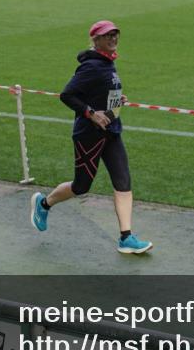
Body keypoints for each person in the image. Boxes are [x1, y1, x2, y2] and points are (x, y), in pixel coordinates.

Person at [30, 20, 153, 254]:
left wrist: (116, 99)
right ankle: (44, 204)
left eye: (115, 34)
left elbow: (99, 92)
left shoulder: (108, 63)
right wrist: (91, 114)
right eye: (108, 35)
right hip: (89, 136)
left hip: (112, 132)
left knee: (123, 182)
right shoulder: (92, 67)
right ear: (96, 40)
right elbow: (67, 95)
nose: (113, 38)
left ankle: (126, 238)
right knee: (81, 186)